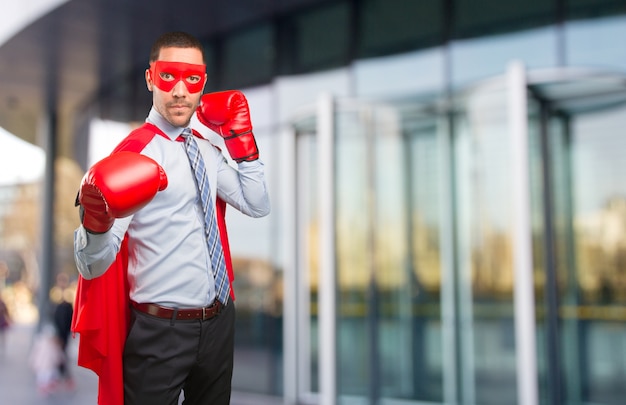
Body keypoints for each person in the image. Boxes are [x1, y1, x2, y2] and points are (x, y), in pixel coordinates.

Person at [71, 31, 270, 405]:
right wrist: (94, 224)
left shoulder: (207, 150)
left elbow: (257, 204)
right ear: (150, 78)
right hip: (160, 331)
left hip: (218, 322)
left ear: (203, 82)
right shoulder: (133, 156)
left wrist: (242, 141)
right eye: (168, 77)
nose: (180, 90)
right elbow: (94, 267)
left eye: (191, 78)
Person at [52, 273, 74, 390]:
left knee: (62, 354)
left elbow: (70, 315)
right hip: (58, 331)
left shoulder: (69, 295)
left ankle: (64, 376)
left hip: (64, 332)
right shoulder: (55, 295)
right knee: (59, 354)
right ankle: (62, 376)